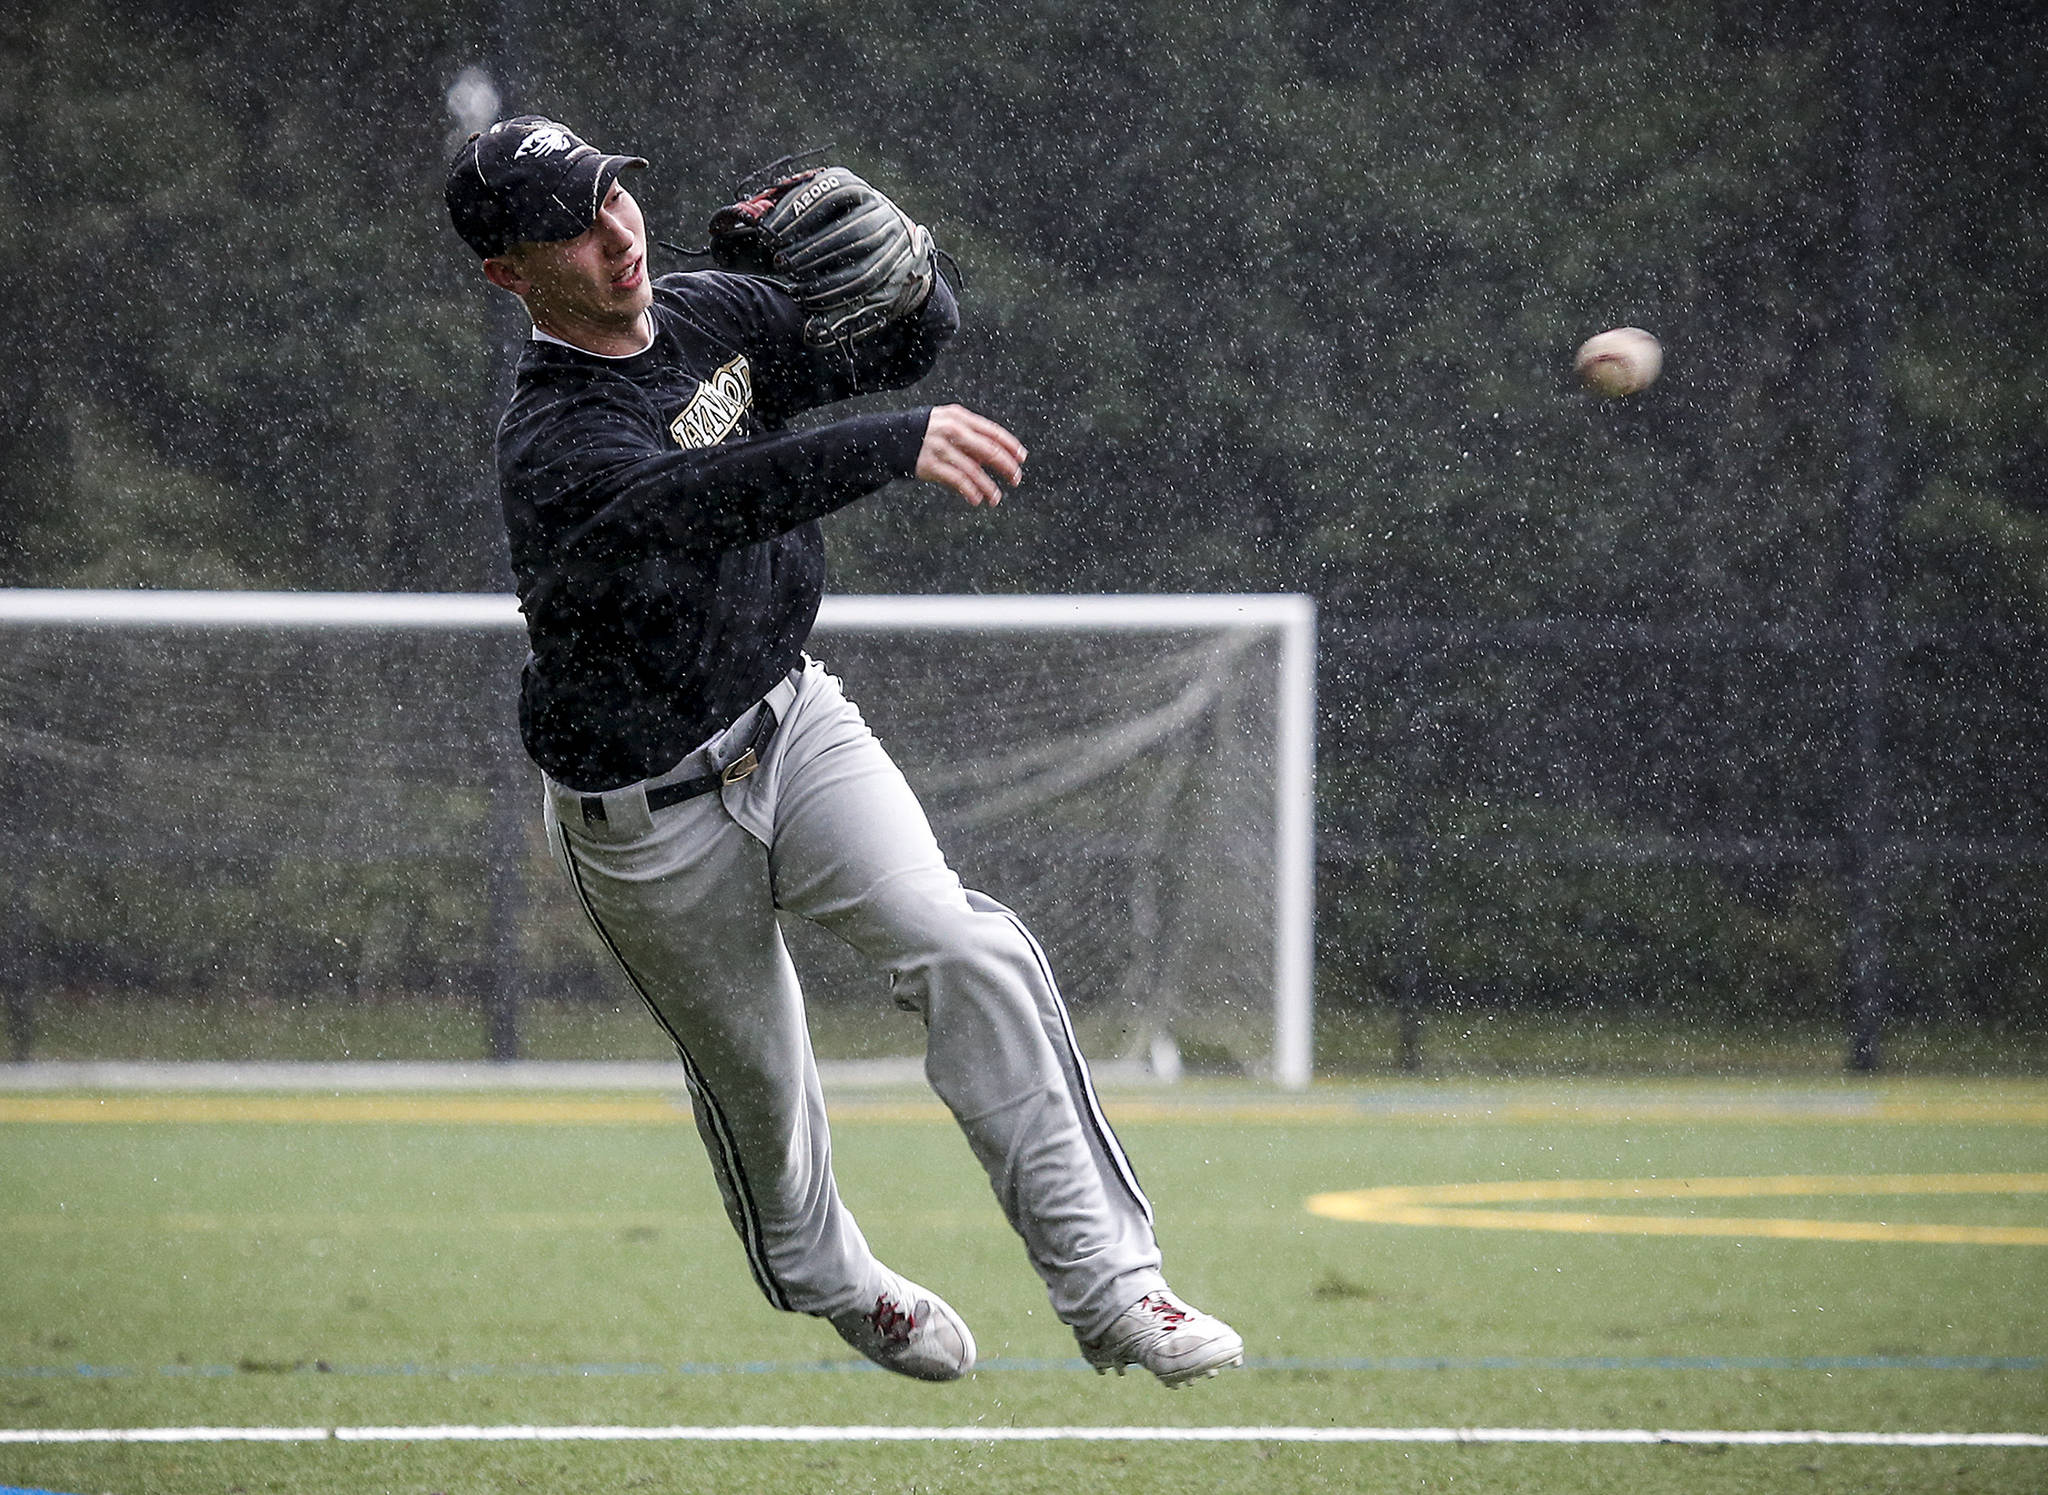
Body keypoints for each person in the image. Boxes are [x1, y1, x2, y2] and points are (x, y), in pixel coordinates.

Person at [444, 115, 1243, 1388]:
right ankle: (836, 1281)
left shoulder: (713, 315)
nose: (614, 235)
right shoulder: (552, 441)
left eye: (615, 196)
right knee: (761, 1086)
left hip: (794, 721)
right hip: (643, 817)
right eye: (571, 229)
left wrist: (919, 277)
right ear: (510, 274)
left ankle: (1114, 1290)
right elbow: (685, 507)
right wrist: (890, 445)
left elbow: (902, 343)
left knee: (962, 942)